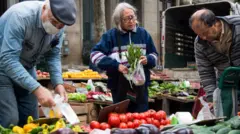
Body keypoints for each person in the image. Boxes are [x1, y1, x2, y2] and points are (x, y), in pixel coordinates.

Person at [0, 0, 76, 127]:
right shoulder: (20, 17)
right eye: (53, 21)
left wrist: (58, 83)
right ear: (45, 7)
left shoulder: (60, 25)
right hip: (2, 67)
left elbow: (53, 55)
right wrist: (37, 88)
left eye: (60, 26)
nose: (56, 27)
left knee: (31, 119)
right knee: (10, 119)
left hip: (27, 68)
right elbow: (8, 59)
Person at [90, 2, 158, 112]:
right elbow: (95, 55)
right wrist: (116, 66)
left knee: (141, 118)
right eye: (127, 19)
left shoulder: (143, 34)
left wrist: (148, 60)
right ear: (119, 21)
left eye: (132, 17)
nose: (131, 21)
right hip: (119, 87)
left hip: (140, 86)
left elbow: (154, 55)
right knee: (122, 118)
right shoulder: (110, 36)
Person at [189, 9, 240, 107]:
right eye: (199, 34)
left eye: (205, 33)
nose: (203, 38)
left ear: (215, 24)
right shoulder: (200, 44)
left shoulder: (237, 26)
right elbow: (205, 72)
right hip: (227, 86)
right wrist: (212, 98)